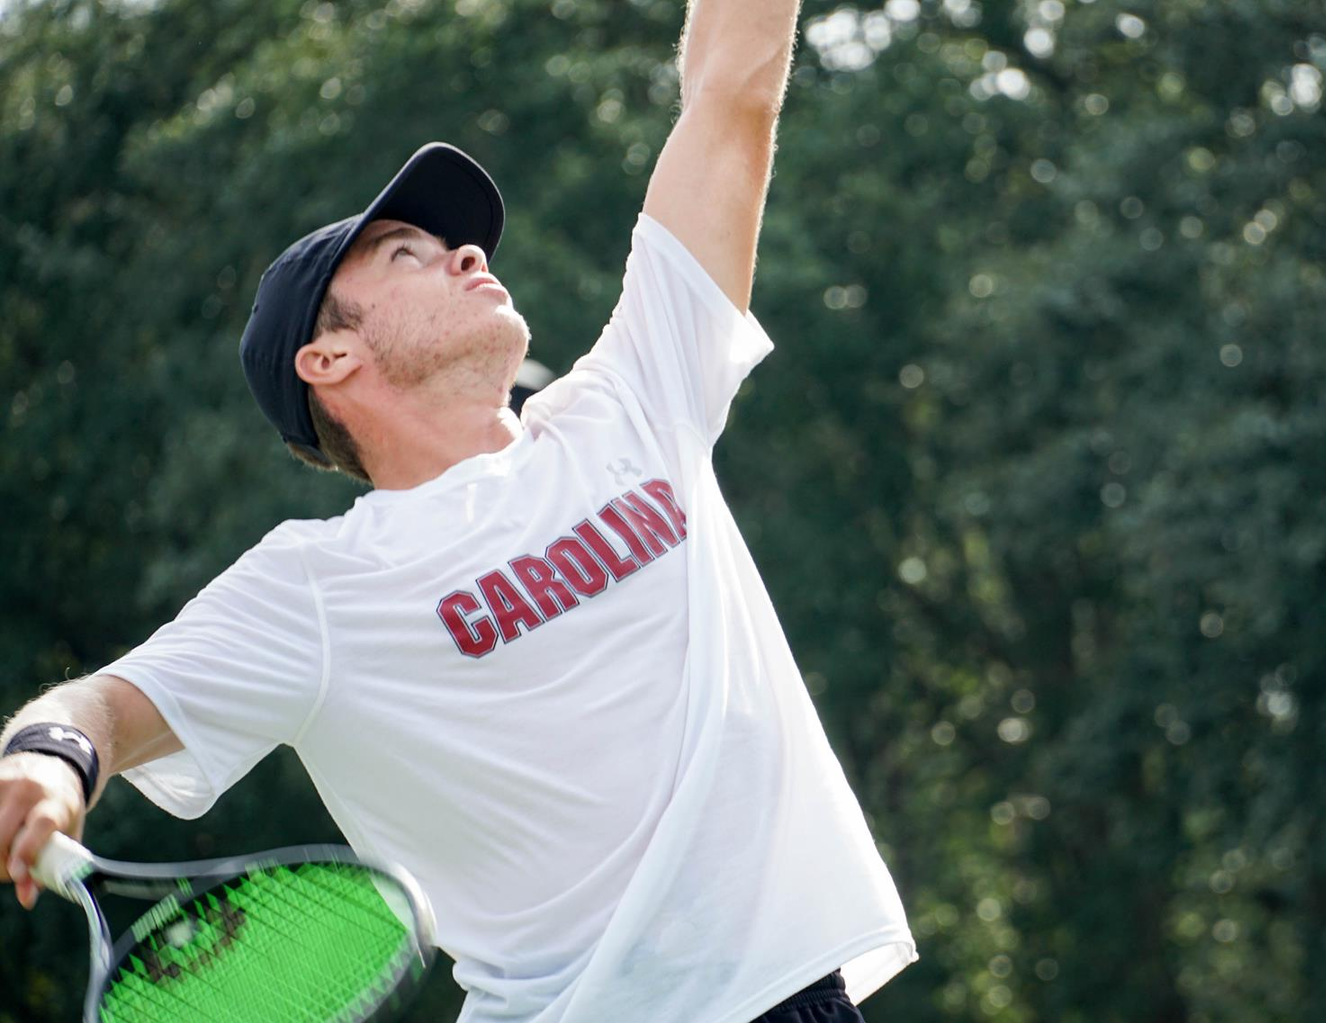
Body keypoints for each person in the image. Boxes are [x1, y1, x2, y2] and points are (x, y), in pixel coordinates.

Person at [0, 1, 917, 1020]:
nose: (467, 253)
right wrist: (47, 759)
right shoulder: (313, 587)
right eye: (407, 254)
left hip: (799, 999)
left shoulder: (635, 399)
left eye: (457, 244)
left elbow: (731, 90)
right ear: (330, 357)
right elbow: (101, 707)